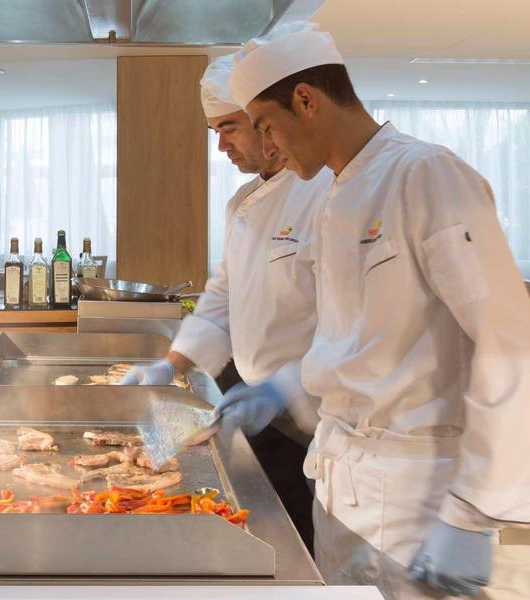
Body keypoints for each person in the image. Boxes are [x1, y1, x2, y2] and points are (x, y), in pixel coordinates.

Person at [220, 23, 530, 599]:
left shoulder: (426, 175)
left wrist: (474, 511)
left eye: (266, 125)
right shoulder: (334, 196)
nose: (267, 148)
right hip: (340, 482)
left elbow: (509, 344)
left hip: (420, 494)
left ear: (306, 101)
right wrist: (281, 388)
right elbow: (356, 340)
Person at [121, 54, 333, 547]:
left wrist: (281, 390)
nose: (221, 146)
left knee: (300, 542)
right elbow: (222, 295)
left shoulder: (326, 193)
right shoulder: (241, 203)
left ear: (269, 121)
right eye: (214, 130)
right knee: (260, 533)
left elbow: (351, 325)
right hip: (256, 402)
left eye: (230, 127)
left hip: (312, 409)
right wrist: (169, 365)